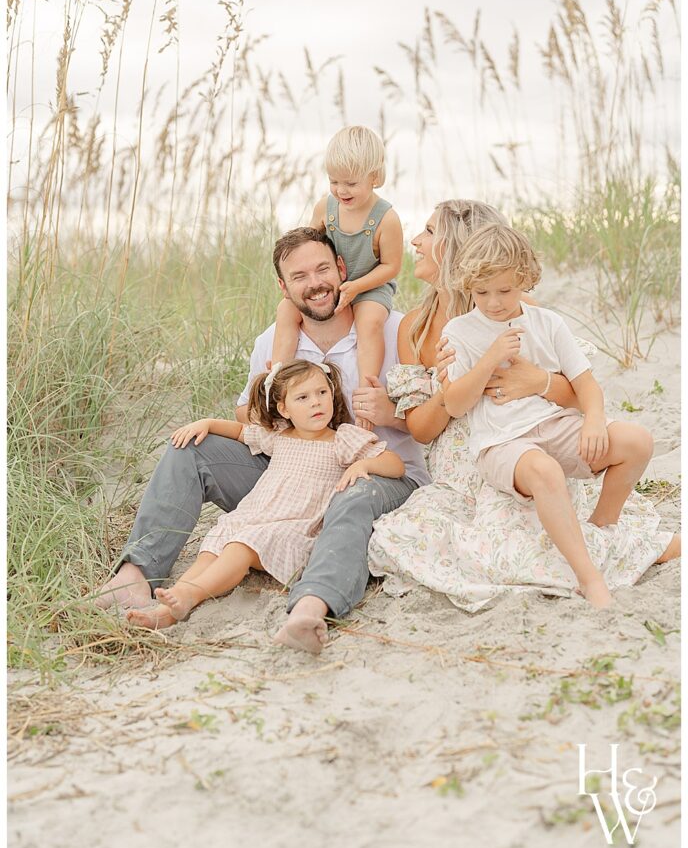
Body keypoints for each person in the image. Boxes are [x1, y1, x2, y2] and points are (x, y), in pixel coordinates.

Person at [95, 226, 429, 655]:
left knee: (352, 493)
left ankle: (312, 606)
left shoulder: (390, 328)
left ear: (341, 269)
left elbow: (435, 422)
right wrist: (269, 407)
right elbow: (247, 417)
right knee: (191, 447)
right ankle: (137, 574)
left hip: (378, 477)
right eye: (300, 276)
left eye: (323, 269)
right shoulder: (274, 340)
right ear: (283, 287)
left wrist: (390, 414)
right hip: (292, 481)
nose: (315, 284)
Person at [368, 201, 679, 609]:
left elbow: (578, 387)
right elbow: (426, 427)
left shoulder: (534, 316)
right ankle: (591, 566)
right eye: (484, 292)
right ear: (470, 277)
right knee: (516, 522)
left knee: (617, 449)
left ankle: (602, 537)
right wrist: (456, 381)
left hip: (543, 428)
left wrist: (539, 381)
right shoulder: (424, 327)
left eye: (429, 232)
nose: (416, 241)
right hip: (484, 449)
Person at [442, 223, 655, 609]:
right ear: (468, 286)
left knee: (636, 441)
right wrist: (490, 358)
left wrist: (594, 419)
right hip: (502, 442)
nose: (493, 303)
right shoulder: (459, 331)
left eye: (505, 290)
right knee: (545, 470)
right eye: (482, 292)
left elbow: (586, 385)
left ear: (525, 279)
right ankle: (589, 578)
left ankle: (601, 528)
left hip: (554, 426)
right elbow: (455, 405)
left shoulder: (548, 323)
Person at [126, 360, 404, 630]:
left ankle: (191, 595)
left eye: (322, 392)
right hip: (256, 516)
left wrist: (363, 465)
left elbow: (395, 464)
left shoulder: (342, 438)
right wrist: (208, 423)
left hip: (293, 527)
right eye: (303, 397)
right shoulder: (279, 435)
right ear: (284, 409)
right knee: (213, 547)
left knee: (240, 547)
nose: (316, 403)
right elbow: (240, 431)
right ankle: (167, 611)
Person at [271, 126, 403, 431]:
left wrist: (356, 287)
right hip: (330, 283)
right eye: (334, 182)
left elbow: (391, 266)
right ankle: (279, 377)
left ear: (374, 177)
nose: (341, 190)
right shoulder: (326, 207)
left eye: (351, 183)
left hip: (370, 285)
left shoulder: (386, 218)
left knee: (369, 323)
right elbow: (308, 244)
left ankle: (366, 394)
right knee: (286, 310)